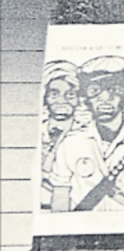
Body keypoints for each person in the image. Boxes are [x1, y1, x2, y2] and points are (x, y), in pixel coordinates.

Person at [48, 55, 124, 212]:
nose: (105, 98)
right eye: (94, 90)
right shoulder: (71, 144)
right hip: (82, 230)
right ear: (85, 97)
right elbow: (60, 196)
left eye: (114, 89)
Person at [39, 60, 81, 209]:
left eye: (70, 94)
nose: (61, 101)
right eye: (54, 94)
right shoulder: (39, 132)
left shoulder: (86, 135)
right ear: (45, 98)